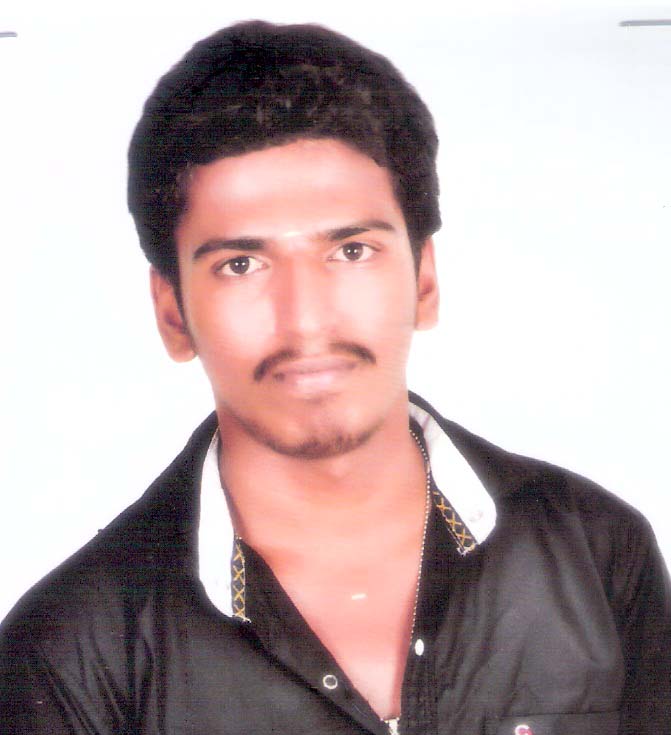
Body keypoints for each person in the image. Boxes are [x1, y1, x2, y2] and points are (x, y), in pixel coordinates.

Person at [0, 19, 669, 735]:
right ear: (172, 314)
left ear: (424, 280)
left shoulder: (597, 553)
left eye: (351, 251)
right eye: (240, 264)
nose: (306, 319)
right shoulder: (69, 650)